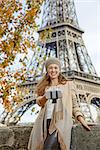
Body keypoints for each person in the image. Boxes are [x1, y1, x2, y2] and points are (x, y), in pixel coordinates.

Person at [28, 57, 91, 150]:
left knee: (48, 148)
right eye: (50, 68)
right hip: (44, 122)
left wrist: (82, 120)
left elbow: (75, 105)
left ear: (59, 70)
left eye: (55, 68)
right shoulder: (44, 87)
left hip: (61, 121)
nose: (53, 70)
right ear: (47, 70)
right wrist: (46, 97)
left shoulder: (68, 85)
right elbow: (39, 102)